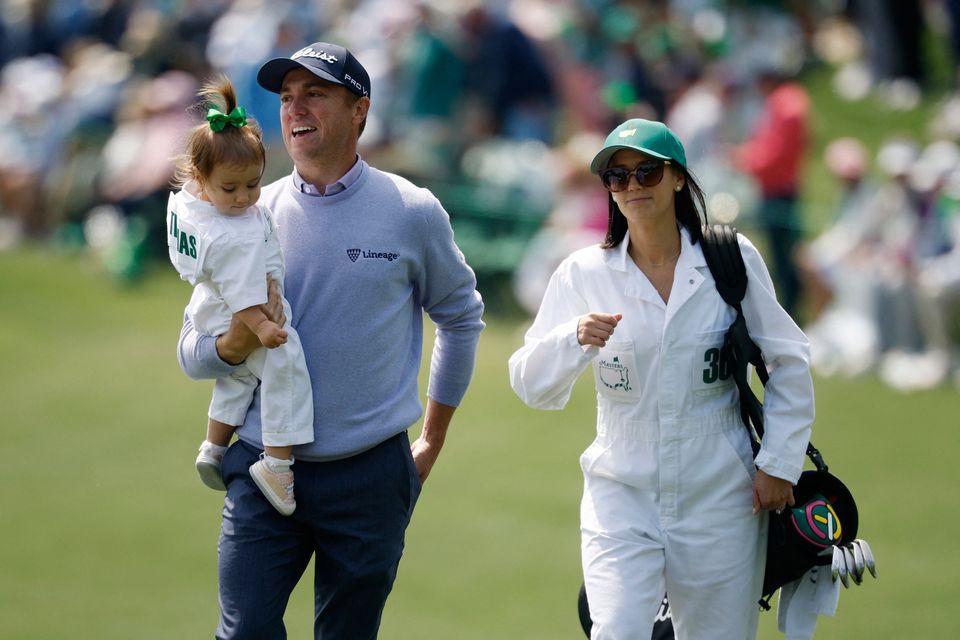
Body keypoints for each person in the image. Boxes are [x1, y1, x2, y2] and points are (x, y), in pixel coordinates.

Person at [177, 41, 484, 639]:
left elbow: (461, 316)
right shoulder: (246, 214)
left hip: (371, 477)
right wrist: (234, 344)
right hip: (264, 468)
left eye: (315, 93)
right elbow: (192, 351)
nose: (296, 109)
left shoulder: (411, 211)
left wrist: (433, 438)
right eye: (288, 98)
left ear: (359, 110)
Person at [508, 118, 814, 639]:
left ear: (677, 178)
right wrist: (573, 337)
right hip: (620, 486)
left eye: (647, 172)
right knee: (618, 631)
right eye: (617, 177)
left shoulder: (730, 260)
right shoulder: (584, 273)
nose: (632, 187)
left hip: (721, 487)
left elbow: (788, 360)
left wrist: (779, 463)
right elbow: (531, 383)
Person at [167, 75, 313, 517]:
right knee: (286, 368)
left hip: (206, 307)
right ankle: (277, 462)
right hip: (240, 313)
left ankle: (213, 446)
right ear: (202, 178)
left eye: (252, 184)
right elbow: (246, 295)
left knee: (240, 377)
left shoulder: (191, 202)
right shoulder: (234, 238)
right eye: (230, 189)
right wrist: (266, 327)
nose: (246, 198)